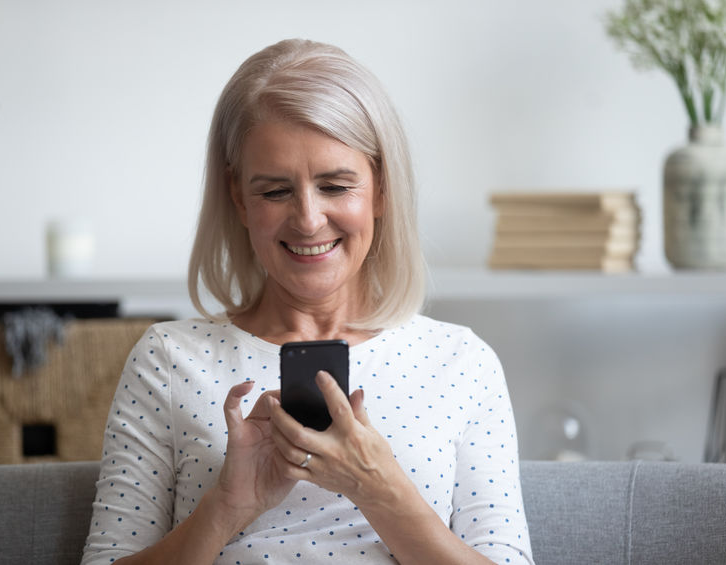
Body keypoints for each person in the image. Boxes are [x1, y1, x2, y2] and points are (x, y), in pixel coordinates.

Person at [81, 38, 533, 565]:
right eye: (274, 192)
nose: (308, 220)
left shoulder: (461, 363)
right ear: (238, 198)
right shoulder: (169, 359)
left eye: (336, 186)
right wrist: (228, 506)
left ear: (382, 187)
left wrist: (382, 492)